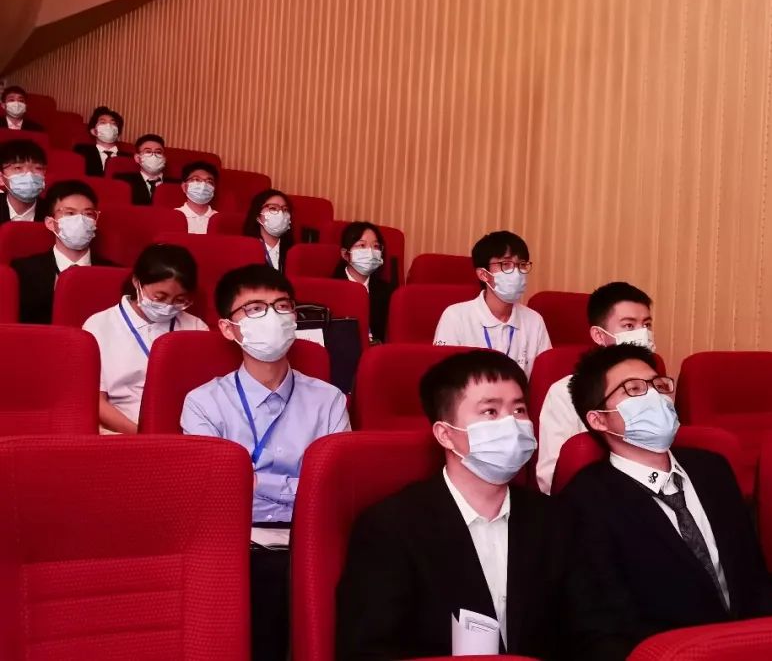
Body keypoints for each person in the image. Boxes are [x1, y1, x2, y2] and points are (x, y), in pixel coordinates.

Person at [335, 350, 566, 660]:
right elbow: (367, 649)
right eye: (490, 411)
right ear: (445, 434)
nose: (511, 424)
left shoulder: (554, 520)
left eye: (519, 409)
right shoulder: (390, 528)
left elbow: (584, 632)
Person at [562, 344, 772, 659]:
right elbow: (605, 625)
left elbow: (756, 578)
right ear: (599, 419)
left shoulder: (713, 469)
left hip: (752, 648)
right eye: (634, 389)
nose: (655, 396)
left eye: (659, 385)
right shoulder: (584, 501)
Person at [181, 264, 350, 661]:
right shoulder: (203, 403)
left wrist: (255, 481)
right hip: (238, 543)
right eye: (255, 308)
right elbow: (219, 493)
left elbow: (332, 490)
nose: (273, 316)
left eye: (282, 306)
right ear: (228, 328)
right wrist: (297, 486)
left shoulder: (328, 399)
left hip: (309, 541)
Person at [536, 281, 654, 494]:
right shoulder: (564, 392)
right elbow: (552, 475)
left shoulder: (657, 386)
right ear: (599, 335)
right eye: (629, 326)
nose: (642, 334)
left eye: (646, 325)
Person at [83, 244, 208, 434]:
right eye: (160, 297)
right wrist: (143, 436)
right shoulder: (99, 326)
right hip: (121, 431)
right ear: (137, 282)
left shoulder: (196, 328)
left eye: (179, 300)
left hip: (183, 431)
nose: (168, 306)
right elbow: (96, 402)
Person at [433, 230, 551, 377]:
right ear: (483, 274)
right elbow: (444, 379)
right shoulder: (455, 317)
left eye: (521, 265)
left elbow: (545, 378)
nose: (517, 273)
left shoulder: (534, 321)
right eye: (506, 264)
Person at [11, 180, 114, 324]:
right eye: (70, 213)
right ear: (50, 223)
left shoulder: (112, 273)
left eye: (88, 214)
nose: (80, 220)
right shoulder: (22, 271)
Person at [332, 221, 393, 342]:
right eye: (362, 245)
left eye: (375, 246)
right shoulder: (330, 289)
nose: (370, 252)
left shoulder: (388, 292)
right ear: (345, 254)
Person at [114, 134, 176, 205]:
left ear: (164, 158)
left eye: (158, 152)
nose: (153, 156)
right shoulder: (123, 181)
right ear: (137, 158)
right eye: (148, 152)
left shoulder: (176, 185)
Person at [243, 188, 294, 273]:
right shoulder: (246, 250)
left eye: (285, 209)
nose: (281, 214)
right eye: (273, 208)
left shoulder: (293, 253)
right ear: (257, 216)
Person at [0, 139, 48, 225]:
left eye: (38, 168)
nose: (29, 175)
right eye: (18, 168)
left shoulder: (52, 211)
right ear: (1, 177)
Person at [74, 106, 131, 177]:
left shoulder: (129, 158)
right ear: (94, 131)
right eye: (103, 122)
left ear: (117, 132)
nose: (108, 126)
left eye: (113, 123)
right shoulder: (82, 152)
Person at [176, 160, 220, 233]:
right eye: (196, 179)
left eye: (209, 181)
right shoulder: (173, 216)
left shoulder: (220, 220)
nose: (203, 185)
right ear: (184, 187)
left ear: (214, 189)